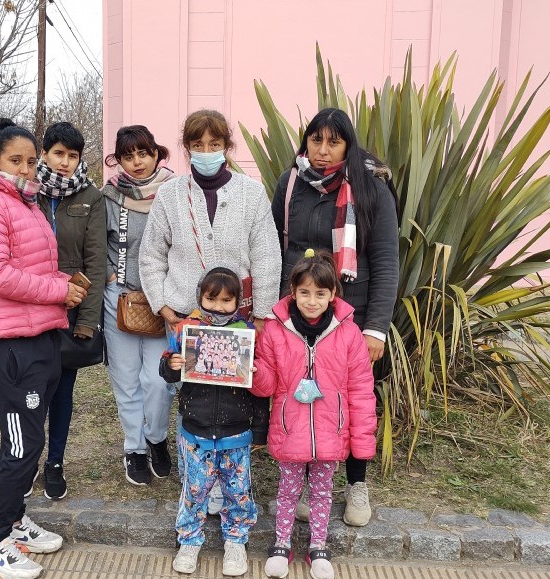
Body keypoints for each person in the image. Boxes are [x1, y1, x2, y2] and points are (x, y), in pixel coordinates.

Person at [0, 118, 87, 579]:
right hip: (10, 345)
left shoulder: (23, 201)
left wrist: (58, 288)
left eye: (32, 161)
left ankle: (14, 522)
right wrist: (58, 290)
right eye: (16, 161)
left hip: (37, 337)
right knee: (22, 445)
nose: (27, 169)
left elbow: (28, 264)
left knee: (28, 440)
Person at [139, 108, 281, 513]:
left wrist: (262, 318)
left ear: (226, 147)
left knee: (233, 401)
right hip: (187, 317)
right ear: (186, 149)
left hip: (239, 321)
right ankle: (197, 479)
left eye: (214, 144)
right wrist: (165, 308)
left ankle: (230, 477)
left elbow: (267, 257)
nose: (206, 151)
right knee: (191, 397)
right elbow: (151, 256)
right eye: (197, 145)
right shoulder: (170, 195)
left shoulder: (251, 193)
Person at [272, 107, 398, 527]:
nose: (323, 151)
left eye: (334, 141)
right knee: (303, 397)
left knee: (355, 400)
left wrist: (376, 326)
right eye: (315, 140)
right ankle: (306, 485)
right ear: (305, 142)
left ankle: (357, 485)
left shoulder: (370, 189)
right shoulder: (290, 185)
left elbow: (384, 261)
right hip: (299, 311)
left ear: (348, 144)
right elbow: (273, 249)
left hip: (352, 313)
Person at [252, 249, 377, 579]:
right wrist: (252, 371)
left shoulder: (349, 334)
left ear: (333, 294)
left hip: (330, 432)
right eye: (304, 293)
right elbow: (266, 384)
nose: (311, 301)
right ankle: (281, 544)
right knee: (287, 490)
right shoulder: (276, 331)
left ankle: (318, 546)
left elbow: (361, 391)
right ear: (293, 292)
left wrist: (361, 445)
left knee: (322, 493)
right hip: (289, 428)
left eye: (320, 293)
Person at [159, 267, 269, 577]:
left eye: (226, 301)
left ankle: (236, 540)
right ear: (200, 297)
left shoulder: (247, 335)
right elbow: (165, 368)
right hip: (196, 428)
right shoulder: (186, 329)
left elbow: (260, 391)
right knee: (194, 490)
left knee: (238, 489)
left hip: (236, 430)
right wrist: (173, 364)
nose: (218, 306)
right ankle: (190, 540)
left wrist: (260, 427)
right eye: (211, 299)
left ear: (238, 302)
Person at [100, 125, 177, 485]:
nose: (137, 162)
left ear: (156, 153)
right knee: (126, 379)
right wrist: (109, 276)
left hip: (164, 302)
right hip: (121, 299)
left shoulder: (175, 193)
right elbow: (94, 242)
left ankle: (157, 437)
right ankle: (134, 448)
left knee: (158, 379)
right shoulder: (109, 196)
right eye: (128, 156)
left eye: (143, 153)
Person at [35, 121, 106, 500]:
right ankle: (27, 459)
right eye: (58, 153)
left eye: (73, 156)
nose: (65, 163)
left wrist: (88, 323)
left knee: (62, 392)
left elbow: (96, 264)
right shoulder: (25, 192)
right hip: (29, 308)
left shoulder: (89, 198)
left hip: (71, 310)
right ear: (44, 153)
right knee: (31, 392)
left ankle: (55, 462)